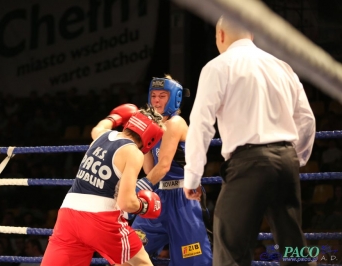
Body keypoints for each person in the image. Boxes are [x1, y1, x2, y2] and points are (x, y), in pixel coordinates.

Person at [183, 15, 316, 266]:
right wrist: (295, 158)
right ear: (252, 34)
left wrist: (192, 176)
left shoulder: (218, 66)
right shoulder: (281, 66)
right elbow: (307, 119)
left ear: (220, 35)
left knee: (229, 246)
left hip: (249, 164)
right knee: (293, 245)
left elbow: (201, 124)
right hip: (286, 161)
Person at [41, 104, 165, 266]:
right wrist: (144, 206)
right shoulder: (133, 152)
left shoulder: (102, 135)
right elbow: (126, 202)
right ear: (151, 138)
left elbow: (97, 128)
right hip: (101, 220)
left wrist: (114, 118)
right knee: (140, 263)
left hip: (68, 216)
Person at [130, 76, 213, 266]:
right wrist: (142, 138)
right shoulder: (154, 126)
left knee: (192, 262)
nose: (157, 100)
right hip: (158, 197)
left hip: (184, 198)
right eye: (153, 96)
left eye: (162, 96)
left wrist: (135, 188)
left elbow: (164, 166)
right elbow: (150, 169)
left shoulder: (176, 123)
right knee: (130, 251)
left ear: (174, 98)